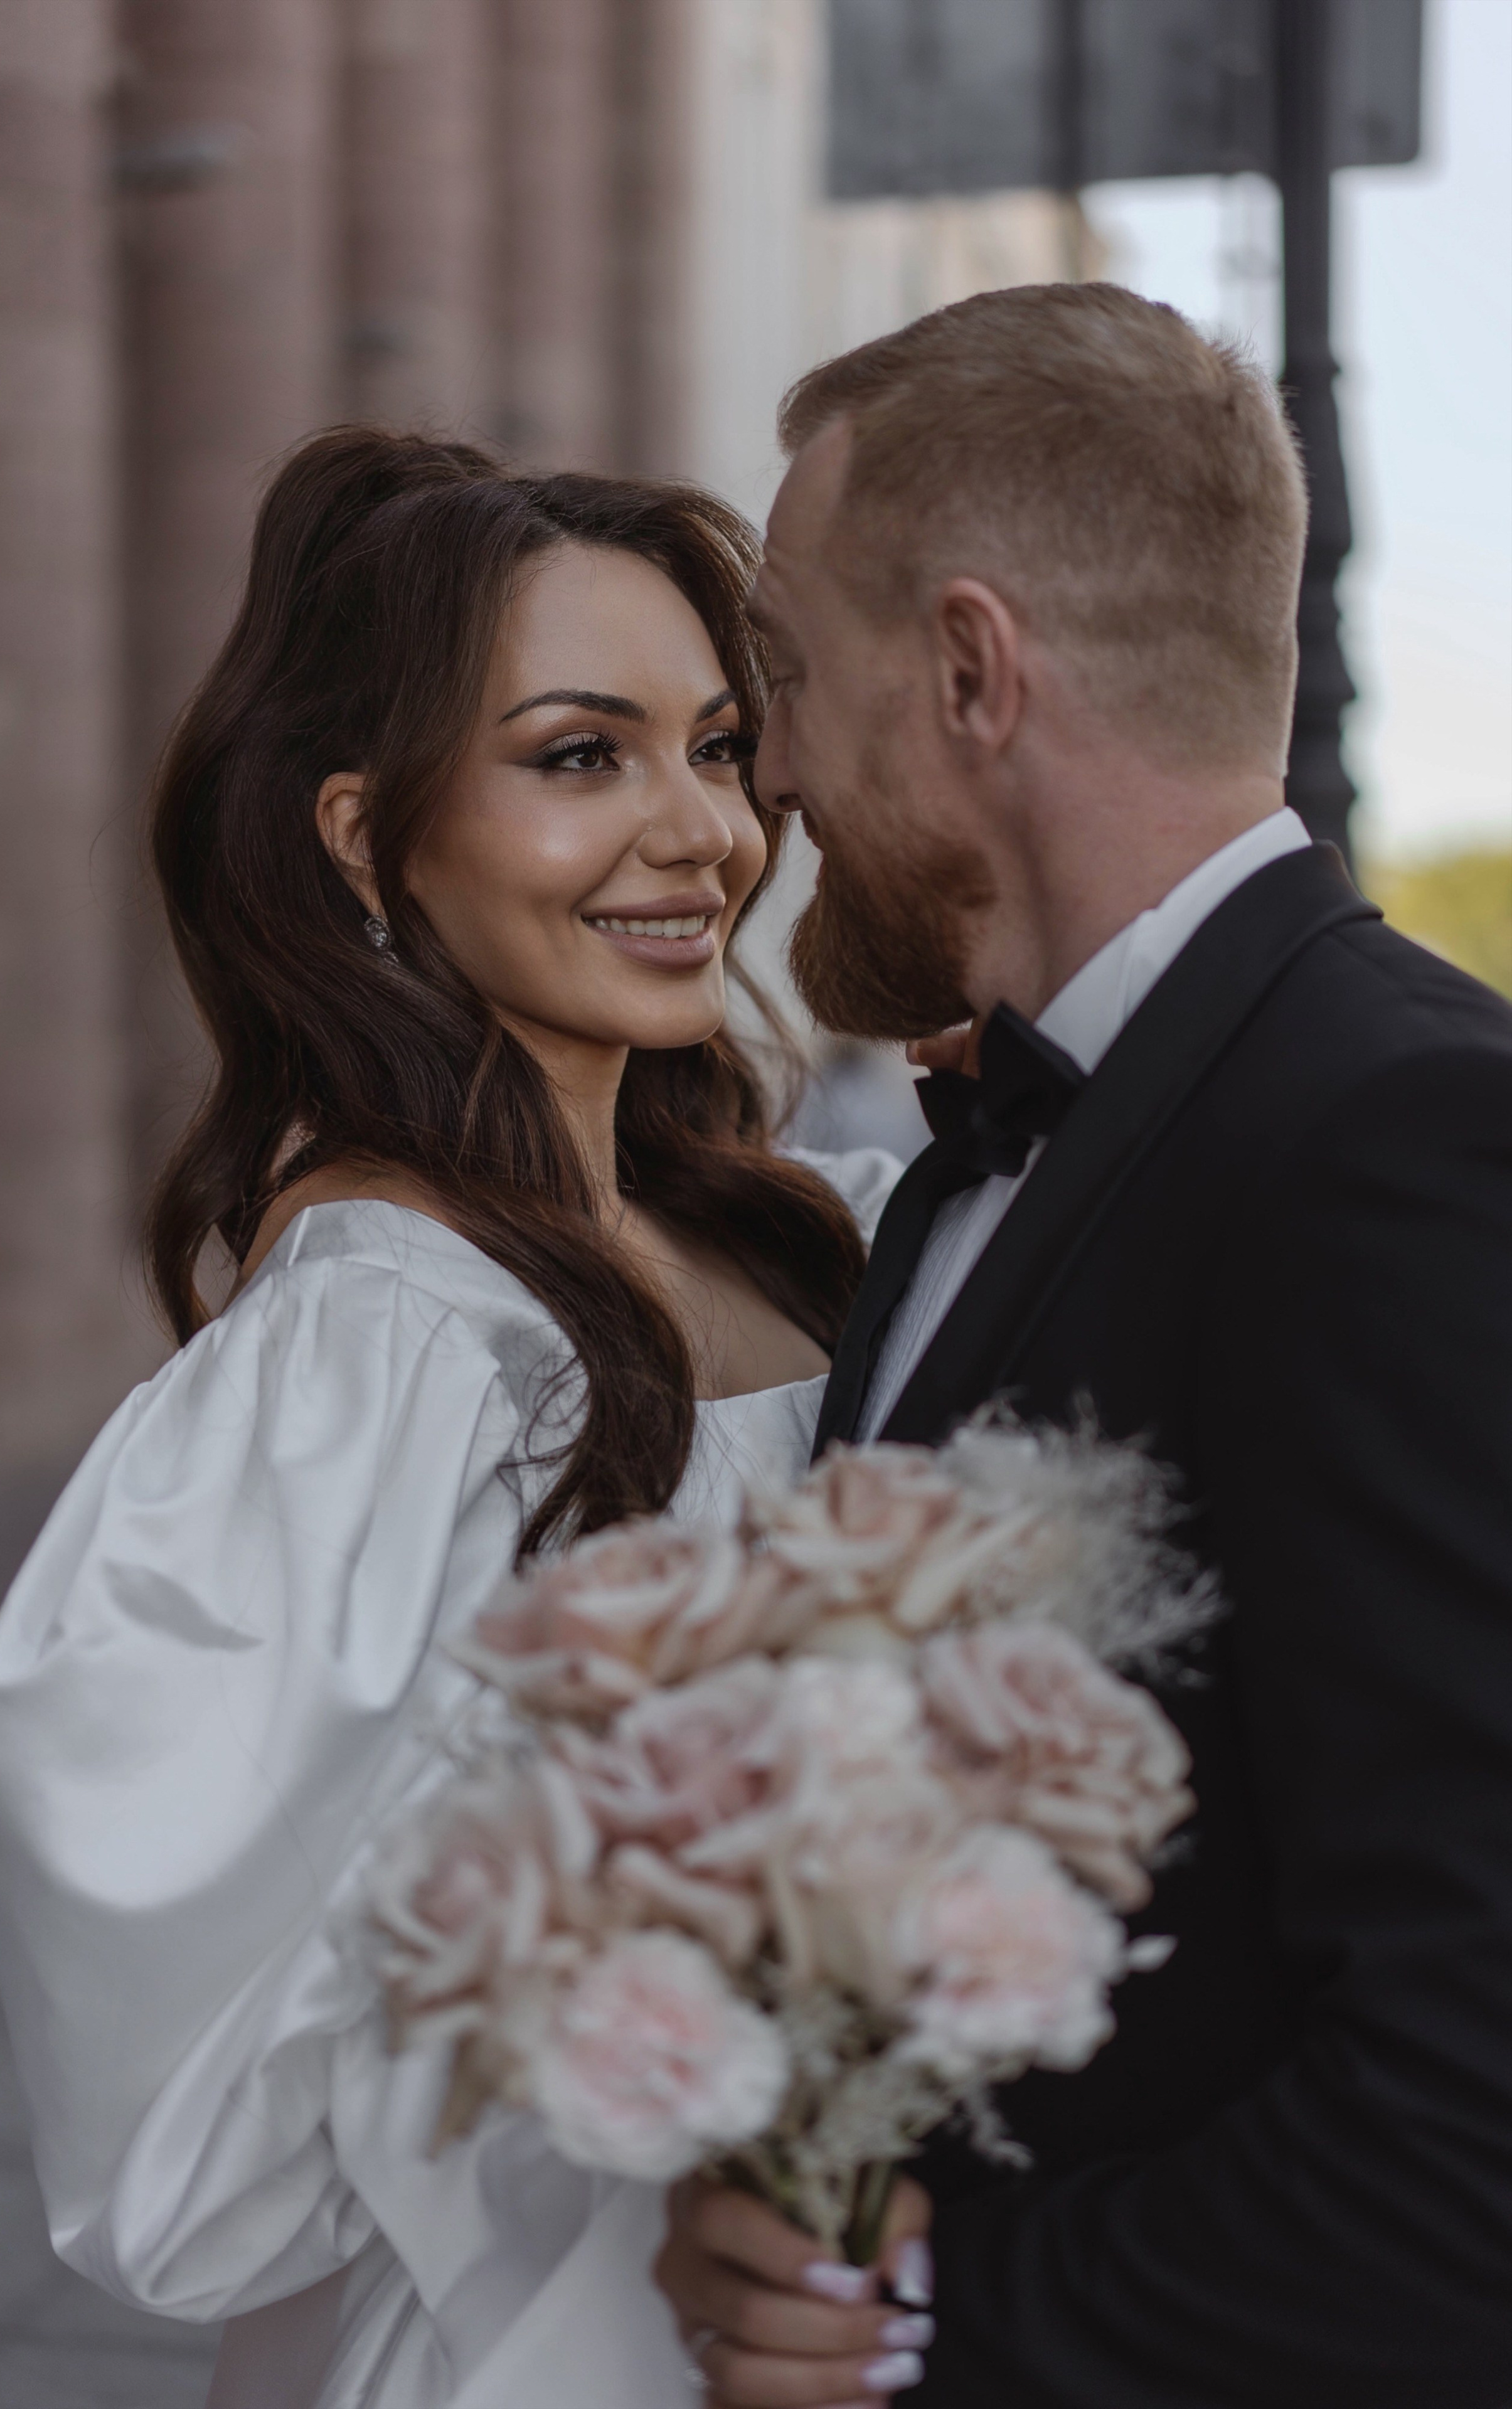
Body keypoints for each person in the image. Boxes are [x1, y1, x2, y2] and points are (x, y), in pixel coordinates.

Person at [0, 429, 908, 2409]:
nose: (700, 834)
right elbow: (187, 2128)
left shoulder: (789, 1224)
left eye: (718, 747)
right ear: (366, 834)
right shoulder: (376, 1345)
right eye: (581, 756)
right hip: (533, 2343)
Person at [654, 282, 1512, 2406]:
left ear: (967, 669)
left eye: (777, 672)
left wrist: (934, 2319)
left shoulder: (1396, 1137)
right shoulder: (984, 1150)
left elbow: (1482, 2099)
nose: (759, 764)